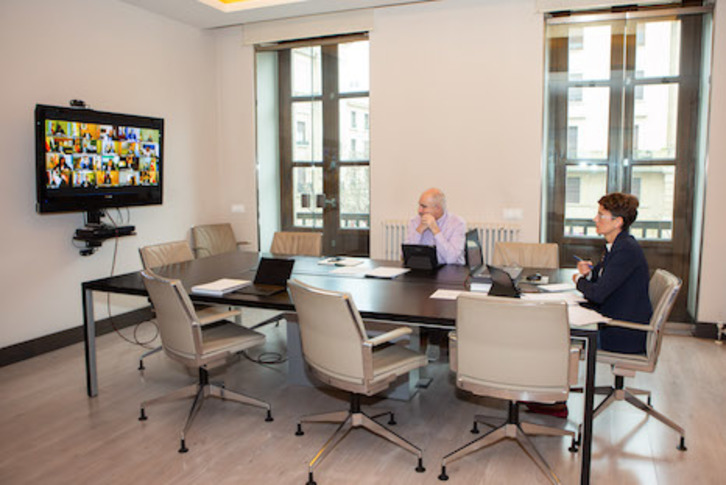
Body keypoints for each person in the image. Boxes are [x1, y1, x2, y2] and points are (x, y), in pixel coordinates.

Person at [574, 192, 652, 354]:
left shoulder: (625, 250)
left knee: (559, 335)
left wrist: (579, 280)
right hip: (614, 319)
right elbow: (601, 277)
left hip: (622, 334)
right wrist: (588, 275)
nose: (595, 219)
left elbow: (597, 294)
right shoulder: (617, 245)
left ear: (617, 222)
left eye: (601, 215)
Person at [404, 188, 466, 265]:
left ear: (437, 208)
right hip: (423, 269)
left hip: (450, 270)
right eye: (419, 205)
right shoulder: (414, 221)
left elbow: (451, 259)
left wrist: (435, 230)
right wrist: (419, 230)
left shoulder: (457, 223)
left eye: (424, 207)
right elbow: (406, 256)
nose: (419, 210)